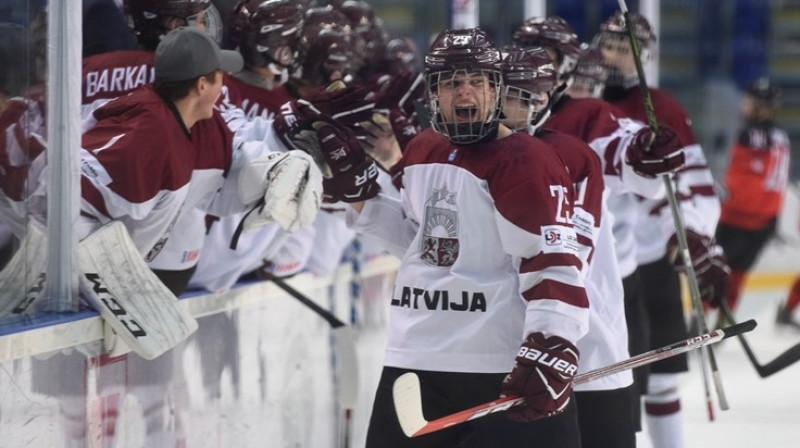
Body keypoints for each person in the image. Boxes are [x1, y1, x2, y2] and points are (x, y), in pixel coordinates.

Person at [317, 27, 588, 447]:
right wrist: (359, 197)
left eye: (478, 82)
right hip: (415, 358)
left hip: (500, 366)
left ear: (496, 90)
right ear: (433, 93)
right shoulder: (424, 149)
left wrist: (552, 343)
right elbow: (418, 242)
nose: (465, 94)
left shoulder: (526, 161)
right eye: (452, 83)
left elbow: (553, 263)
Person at [596, 12, 729, 448]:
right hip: (601, 266)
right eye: (610, 45)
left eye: (625, 48)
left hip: (653, 260)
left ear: (644, 56)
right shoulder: (582, 104)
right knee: (612, 388)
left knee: (664, 380)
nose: (614, 56)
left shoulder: (665, 109)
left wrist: (691, 234)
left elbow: (696, 186)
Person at [715, 78, 790, 319]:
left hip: (737, 218)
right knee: (738, 274)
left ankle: (702, 318)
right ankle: (724, 322)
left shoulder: (751, 135)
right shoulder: (781, 137)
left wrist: (718, 196)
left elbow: (744, 181)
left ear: (761, 105)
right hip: (766, 221)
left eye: (749, 101)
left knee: (715, 271)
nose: (744, 105)